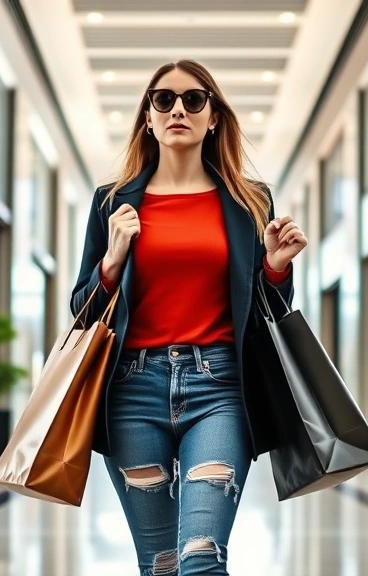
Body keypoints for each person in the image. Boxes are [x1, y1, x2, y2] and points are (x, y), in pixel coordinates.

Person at [70, 60, 307, 576]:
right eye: (164, 100)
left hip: (219, 390)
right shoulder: (111, 202)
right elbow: (81, 312)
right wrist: (111, 261)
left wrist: (274, 267)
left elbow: (265, 311)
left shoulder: (250, 201)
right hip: (131, 392)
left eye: (194, 99)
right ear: (148, 118)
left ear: (213, 117)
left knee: (201, 558)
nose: (178, 109)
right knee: (161, 565)